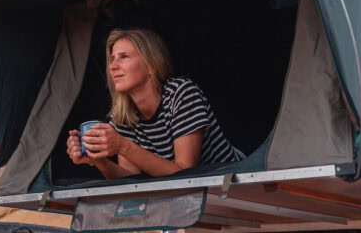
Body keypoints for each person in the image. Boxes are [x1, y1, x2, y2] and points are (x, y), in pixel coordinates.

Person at [67, 27, 244, 180]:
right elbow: (131, 179)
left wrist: (122, 145)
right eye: (112, 58)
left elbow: (187, 174)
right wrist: (97, 160)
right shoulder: (122, 114)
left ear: (151, 64)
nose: (112, 66)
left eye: (124, 57)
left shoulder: (181, 93)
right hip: (190, 196)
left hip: (236, 184)